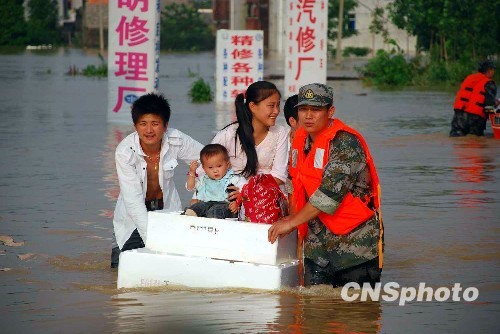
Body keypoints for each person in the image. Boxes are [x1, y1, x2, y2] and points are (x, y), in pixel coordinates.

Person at [268, 83, 384, 288]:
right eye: (303, 109)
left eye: (316, 109)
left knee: (358, 312)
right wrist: (286, 216)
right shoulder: (300, 141)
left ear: (330, 111)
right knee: (314, 312)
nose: (308, 116)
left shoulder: (346, 144)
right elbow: (293, 184)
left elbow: (327, 197)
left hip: (354, 246)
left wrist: (292, 222)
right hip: (316, 247)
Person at [110, 93, 203, 268]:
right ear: (135, 126)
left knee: (173, 267)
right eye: (143, 124)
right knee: (121, 271)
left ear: (165, 125)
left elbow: (209, 161)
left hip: (167, 212)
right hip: (133, 218)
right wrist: (153, 242)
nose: (149, 130)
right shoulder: (125, 152)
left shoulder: (177, 140)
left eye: (155, 123)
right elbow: (133, 200)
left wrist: (199, 193)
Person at [207, 81, 289, 200]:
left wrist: (246, 189)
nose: (276, 111)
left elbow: (280, 176)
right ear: (253, 107)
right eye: (271, 106)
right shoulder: (229, 134)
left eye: (278, 105)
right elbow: (206, 167)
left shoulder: (280, 133)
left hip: (268, 198)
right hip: (230, 197)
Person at [184, 144, 245, 219]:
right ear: (204, 168)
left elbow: (246, 192)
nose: (215, 170)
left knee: (215, 211)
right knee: (197, 207)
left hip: (226, 206)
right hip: (206, 204)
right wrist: (192, 172)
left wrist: (237, 203)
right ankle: (188, 217)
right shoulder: (203, 179)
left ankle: (212, 222)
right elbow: (190, 187)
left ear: (227, 165)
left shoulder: (234, 178)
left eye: (219, 166)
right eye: (210, 167)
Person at [450, 59, 498, 137]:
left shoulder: (469, 78)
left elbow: (471, 96)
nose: (493, 72)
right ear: (489, 71)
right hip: (475, 119)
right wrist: (496, 108)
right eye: (493, 70)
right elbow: (488, 107)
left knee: (457, 141)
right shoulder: (489, 83)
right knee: (475, 144)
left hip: (459, 117)